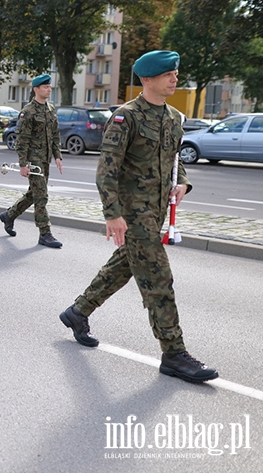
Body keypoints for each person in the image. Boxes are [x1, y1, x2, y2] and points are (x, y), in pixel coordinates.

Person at [60, 50, 218, 384]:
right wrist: (113, 215)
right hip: (132, 214)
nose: (174, 78)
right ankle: (174, 353)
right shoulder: (125, 117)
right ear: (148, 80)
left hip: (157, 212)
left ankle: (78, 312)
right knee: (159, 280)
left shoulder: (174, 117)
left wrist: (183, 183)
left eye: (175, 73)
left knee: (123, 267)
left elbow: (175, 160)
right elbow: (106, 171)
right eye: (167, 74)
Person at [0, 74, 64, 248]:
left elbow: (55, 135)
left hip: (46, 159)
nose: (49, 89)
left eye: (50, 87)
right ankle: (45, 233)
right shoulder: (28, 112)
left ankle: (9, 216)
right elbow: (22, 141)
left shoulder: (50, 109)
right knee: (41, 196)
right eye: (45, 87)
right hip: (33, 160)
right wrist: (22, 164)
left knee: (33, 194)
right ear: (36, 89)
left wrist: (57, 155)